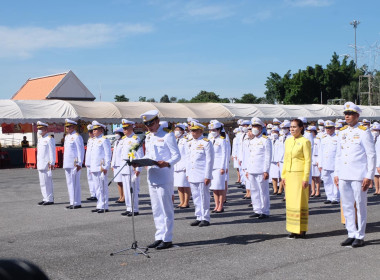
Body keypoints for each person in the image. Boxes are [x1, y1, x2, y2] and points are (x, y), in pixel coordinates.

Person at [334, 102, 375, 248]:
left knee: (360, 205)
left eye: (350, 114)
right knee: (347, 206)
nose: (347, 116)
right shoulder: (342, 131)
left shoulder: (364, 131)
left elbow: (371, 155)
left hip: (359, 175)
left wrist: (369, 175)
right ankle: (351, 233)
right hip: (344, 174)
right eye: (346, 114)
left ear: (357, 116)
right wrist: (336, 172)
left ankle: (360, 235)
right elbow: (339, 154)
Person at [139, 110, 181, 250]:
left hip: (164, 176)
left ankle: (167, 238)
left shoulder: (168, 135)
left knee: (166, 209)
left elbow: (177, 156)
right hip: (152, 176)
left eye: (151, 123)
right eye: (146, 124)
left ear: (157, 121)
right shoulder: (149, 137)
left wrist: (167, 163)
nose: (149, 127)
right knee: (156, 209)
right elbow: (148, 154)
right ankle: (159, 236)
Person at [282, 119, 311, 239]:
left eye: (295, 127)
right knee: (291, 202)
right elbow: (286, 159)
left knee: (300, 202)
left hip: (299, 175)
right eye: (291, 127)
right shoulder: (288, 141)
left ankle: (301, 229)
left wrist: (306, 177)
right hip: (289, 175)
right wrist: (283, 175)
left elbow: (308, 160)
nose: (292, 129)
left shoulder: (305, 141)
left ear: (301, 128)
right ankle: (292, 229)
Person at [186, 121, 214, 226]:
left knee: (203, 196)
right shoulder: (189, 142)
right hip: (192, 173)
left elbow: (209, 160)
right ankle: (198, 216)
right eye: (191, 131)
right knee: (196, 196)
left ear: (200, 131)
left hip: (202, 174)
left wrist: (207, 175)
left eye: (195, 131)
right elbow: (188, 159)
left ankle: (205, 218)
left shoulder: (206, 142)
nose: (192, 133)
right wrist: (187, 173)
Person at [244, 117, 272, 219]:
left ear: (261, 128)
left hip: (261, 170)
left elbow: (268, 156)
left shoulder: (265, 140)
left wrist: (266, 170)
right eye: (253, 126)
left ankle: (265, 210)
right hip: (252, 169)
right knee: (254, 190)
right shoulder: (251, 141)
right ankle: (257, 209)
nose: (254, 128)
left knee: (263, 191)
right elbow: (250, 156)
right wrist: (247, 169)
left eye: (256, 126)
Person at [120, 119, 143, 217]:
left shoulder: (135, 139)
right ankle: (128, 207)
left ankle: (135, 209)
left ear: (131, 127)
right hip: (124, 167)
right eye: (123, 128)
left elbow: (139, 155)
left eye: (126, 128)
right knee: (126, 189)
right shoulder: (124, 139)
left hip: (132, 168)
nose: (124, 130)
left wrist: (138, 169)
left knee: (132, 189)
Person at [89, 121, 112, 213]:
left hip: (101, 167)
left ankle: (104, 205)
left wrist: (106, 166)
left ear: (101, 130)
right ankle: (99, 204)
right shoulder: (94, 140)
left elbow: (107, 154)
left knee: (102, 187)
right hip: (94, 166)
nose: (93, 131)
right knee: (97, 187)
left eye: (96, 129)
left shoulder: (104, 140)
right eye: (93, 129)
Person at [63, 119, 84, 209]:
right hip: (67, 163)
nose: (67, 128)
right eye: (66, 126)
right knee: (69, 183)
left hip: (74, 163)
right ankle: (72, 201)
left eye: (68, 126)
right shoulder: (67, 137)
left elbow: (81, 150)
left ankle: (76, 202)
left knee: (75, 183)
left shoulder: (77, 136)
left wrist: (79, 163)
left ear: (73, 127)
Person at [318, 120, 340, 204]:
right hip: (325, 164)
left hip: (334, 164)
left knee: (335, 181)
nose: (328, 130)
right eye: (326, 128)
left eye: (329, 128)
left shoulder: (337, 138)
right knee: (327, 181)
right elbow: (321, 152)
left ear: (334, 128)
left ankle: (336, 198)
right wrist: (320, 164)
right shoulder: (323, 138)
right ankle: (329, 197)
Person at [208, 121, 227, 213]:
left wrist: (223, 167)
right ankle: (216, 205)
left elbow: (224, 155)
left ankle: (221, 205)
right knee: (214, 188)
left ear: (219, 130)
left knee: (220, 187)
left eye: (214, 130)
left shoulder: (222, 140)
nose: (212, 131)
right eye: (211, 130)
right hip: (211, 166)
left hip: (219, 166)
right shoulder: (210, 140)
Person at [36, 121, 56, 206]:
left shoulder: (49, 138)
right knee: (42, 183)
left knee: (47, 182)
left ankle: (50, 199)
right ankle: (45, 198)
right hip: (40, 163)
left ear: (45, 129)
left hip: (47, 164)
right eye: (38, 129)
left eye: (41, 129)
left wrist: (52, 162)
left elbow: (52, 151)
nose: (39, 130)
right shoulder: (40, 139)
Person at [173, 123, 191, 209]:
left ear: (183, 131)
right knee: (179, 185)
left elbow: (188, 154)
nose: (176, 132)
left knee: (185, 185)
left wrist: (187, 166)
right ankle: (181, 201)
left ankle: (186, 202)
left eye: (178, 130)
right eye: (175, 130)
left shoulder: (185, 141)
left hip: (183, 165)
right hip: (176, 166)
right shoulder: (175, 140)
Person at [111, 127, 125, 203]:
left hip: (121, 164)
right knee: (118, 181)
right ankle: (120, 196)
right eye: (115, 133)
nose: (116, 134)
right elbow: (114, 154)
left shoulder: (123, 141)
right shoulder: (116, 142)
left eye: (117, 133)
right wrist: (112, 164)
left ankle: (124, 197)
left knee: (123, 181)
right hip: (116, 164)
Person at [307, 126, 321, 198]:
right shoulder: (308, 140)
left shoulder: (318, 140)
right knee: (312, 177)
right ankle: (313, 191)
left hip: (316, 158)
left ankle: (318, 191)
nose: (310, 133)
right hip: (311, 158)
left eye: (311, 131)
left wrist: (319, 161)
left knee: (317, 177)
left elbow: (320, 150)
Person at [85, 124, 97, 201]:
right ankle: (92, 193)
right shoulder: (89, 140)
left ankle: (96, 194)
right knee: (90, 179)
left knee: (95, 179)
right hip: (89, 162)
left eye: (91, 132)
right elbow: (88, 152)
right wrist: (86, 161)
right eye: (89, 132)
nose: (90, 133)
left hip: (94, 162)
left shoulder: (97, 140)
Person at [270, 126, 281, 194]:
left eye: (276, 132)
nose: (274, 133)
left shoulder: (280, 140)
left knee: (280, 176)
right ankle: (275, 189)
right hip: (272, 160)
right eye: (273, 132)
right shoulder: (269, 140)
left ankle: (280, 189)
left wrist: (279, 160)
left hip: (278, 160)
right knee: (273, 176)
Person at [371, 124, 380, 195]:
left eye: (376, 130)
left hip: (379, 159)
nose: (375, 131)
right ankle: (376, 189)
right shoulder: (372, 137)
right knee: (375, 175)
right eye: (374, 130)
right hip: (374, 159)